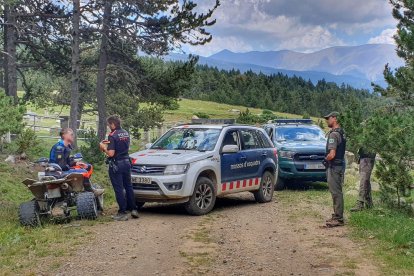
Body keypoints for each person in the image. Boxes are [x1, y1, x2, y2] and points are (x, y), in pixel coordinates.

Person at [99, 115, 139, 221]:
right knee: (128, 186)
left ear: (113, 124)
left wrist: (104, 148)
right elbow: (121, 144)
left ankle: (122, 212)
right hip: (127, 162)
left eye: (109, 125)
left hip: (117, 164)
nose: (108, 127)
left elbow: (111, 153)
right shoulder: (125, 132)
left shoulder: (112, 135)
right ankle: (133, 209)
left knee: (119, 189)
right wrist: (109, 143)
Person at [50, 128, 104, 196]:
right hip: (58, 172)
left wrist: (76, 163)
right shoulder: (59, 148)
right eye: (71, 134)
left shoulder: (65, 146)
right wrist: (72, 168)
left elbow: (66, 161)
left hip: (61, 169)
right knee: (84, 172)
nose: (73, 136)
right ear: (64, 135)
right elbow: (61, 166)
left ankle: (82, 187)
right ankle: (90, 191)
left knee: (88, 166)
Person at [323, 112, 347, 227]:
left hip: (334, 166)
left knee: (336, 192)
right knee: (337, 191)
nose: (327, 121)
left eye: (329, 118)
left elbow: (332, 154)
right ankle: (337, 215)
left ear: (335, 119)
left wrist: (325, 159)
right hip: (340, 165)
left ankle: (338, 218)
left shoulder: (333, 135)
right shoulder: (342, 132)